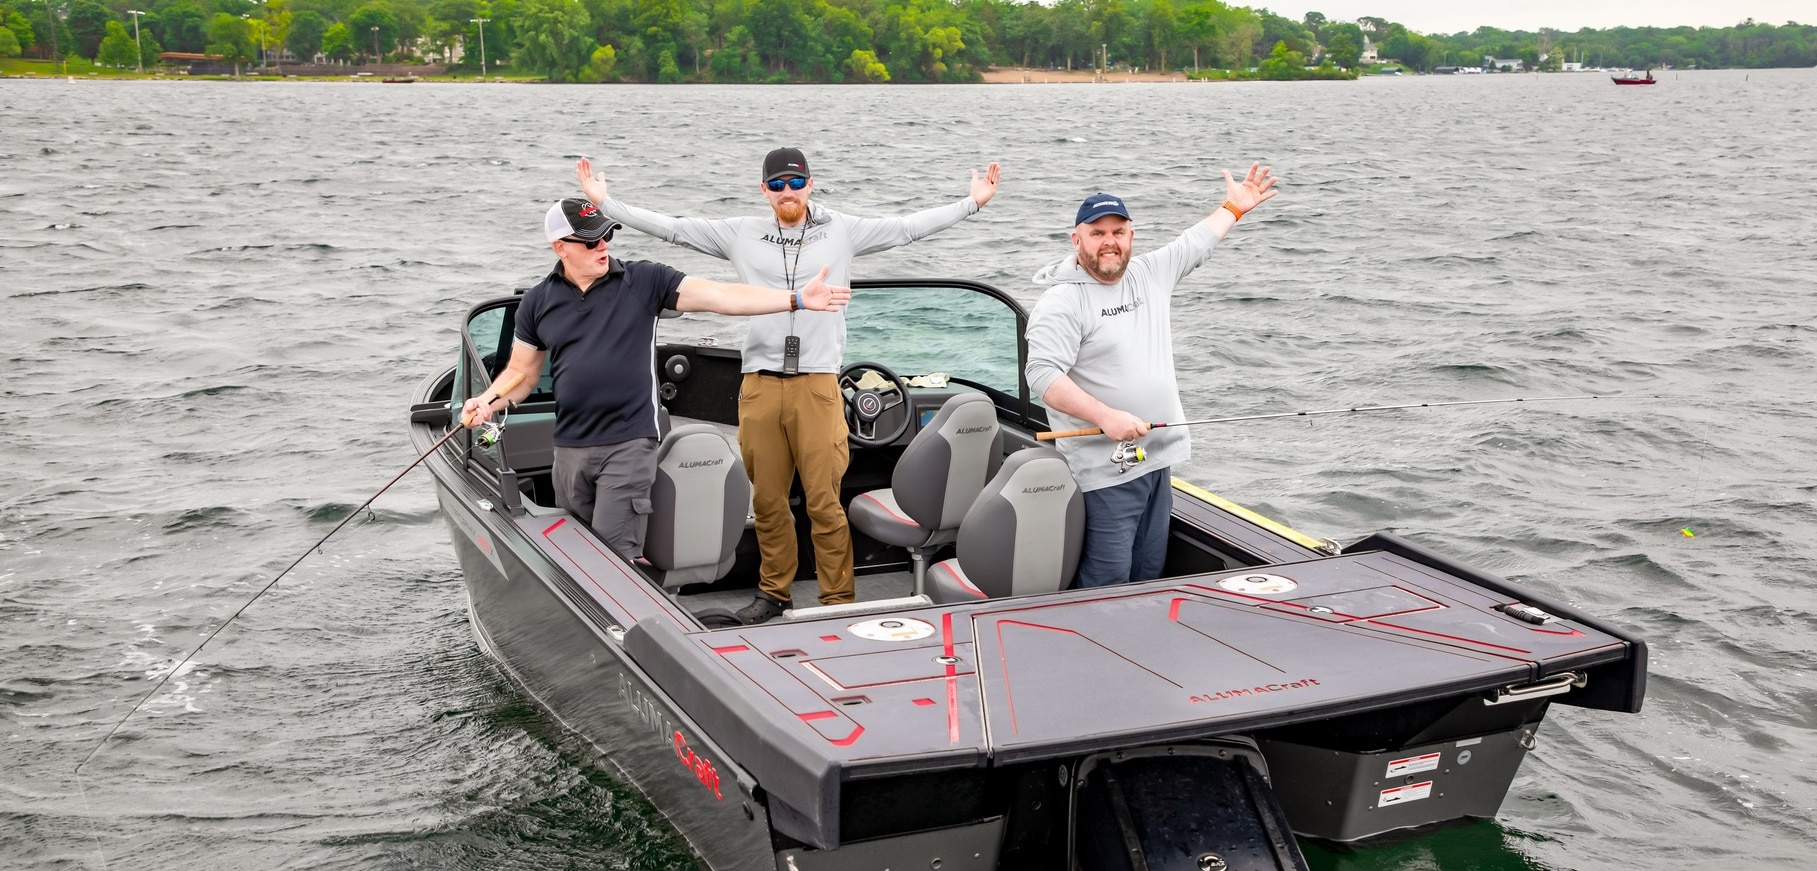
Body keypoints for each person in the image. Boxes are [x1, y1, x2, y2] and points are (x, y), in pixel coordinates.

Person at [575, 148, 1002, 624]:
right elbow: (673, 227)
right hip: (760, 383)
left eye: (794, 183)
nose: (787, 192)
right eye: (776, 185)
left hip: (818, 384)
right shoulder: (740, 233)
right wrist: (606, 204)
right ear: (764, 191)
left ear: (810, 184)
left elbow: (906, 228)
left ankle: (837, 601)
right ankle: (774, 594)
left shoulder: (841, 229)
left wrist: (972, 203)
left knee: (824, 501)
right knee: (769, 500)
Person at [460, 198, 851, 565]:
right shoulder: (538, 302)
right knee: (575, 556)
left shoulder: (644, 280)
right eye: (591, 240)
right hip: (569, 449)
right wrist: (488, 401)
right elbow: (521, 374)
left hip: (628, 445)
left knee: (614, 558)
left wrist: (796, 299)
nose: (603, 246)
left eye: (607, 235)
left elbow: (722, 296)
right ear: (560, 247)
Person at [1023, 164, 1279, 588]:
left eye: (1118, 232)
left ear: (1131, 237)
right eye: (1097, 233)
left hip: (1156, 459)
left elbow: (1195, 241)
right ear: (1076, 240)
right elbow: (1043, 375)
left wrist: (1235, 206)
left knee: (1149, 570)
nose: (1109, 242)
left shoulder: (1149, 273)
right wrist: (1105, 416)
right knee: (1109, 579)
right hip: (1105, 469)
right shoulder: (1062, 302)